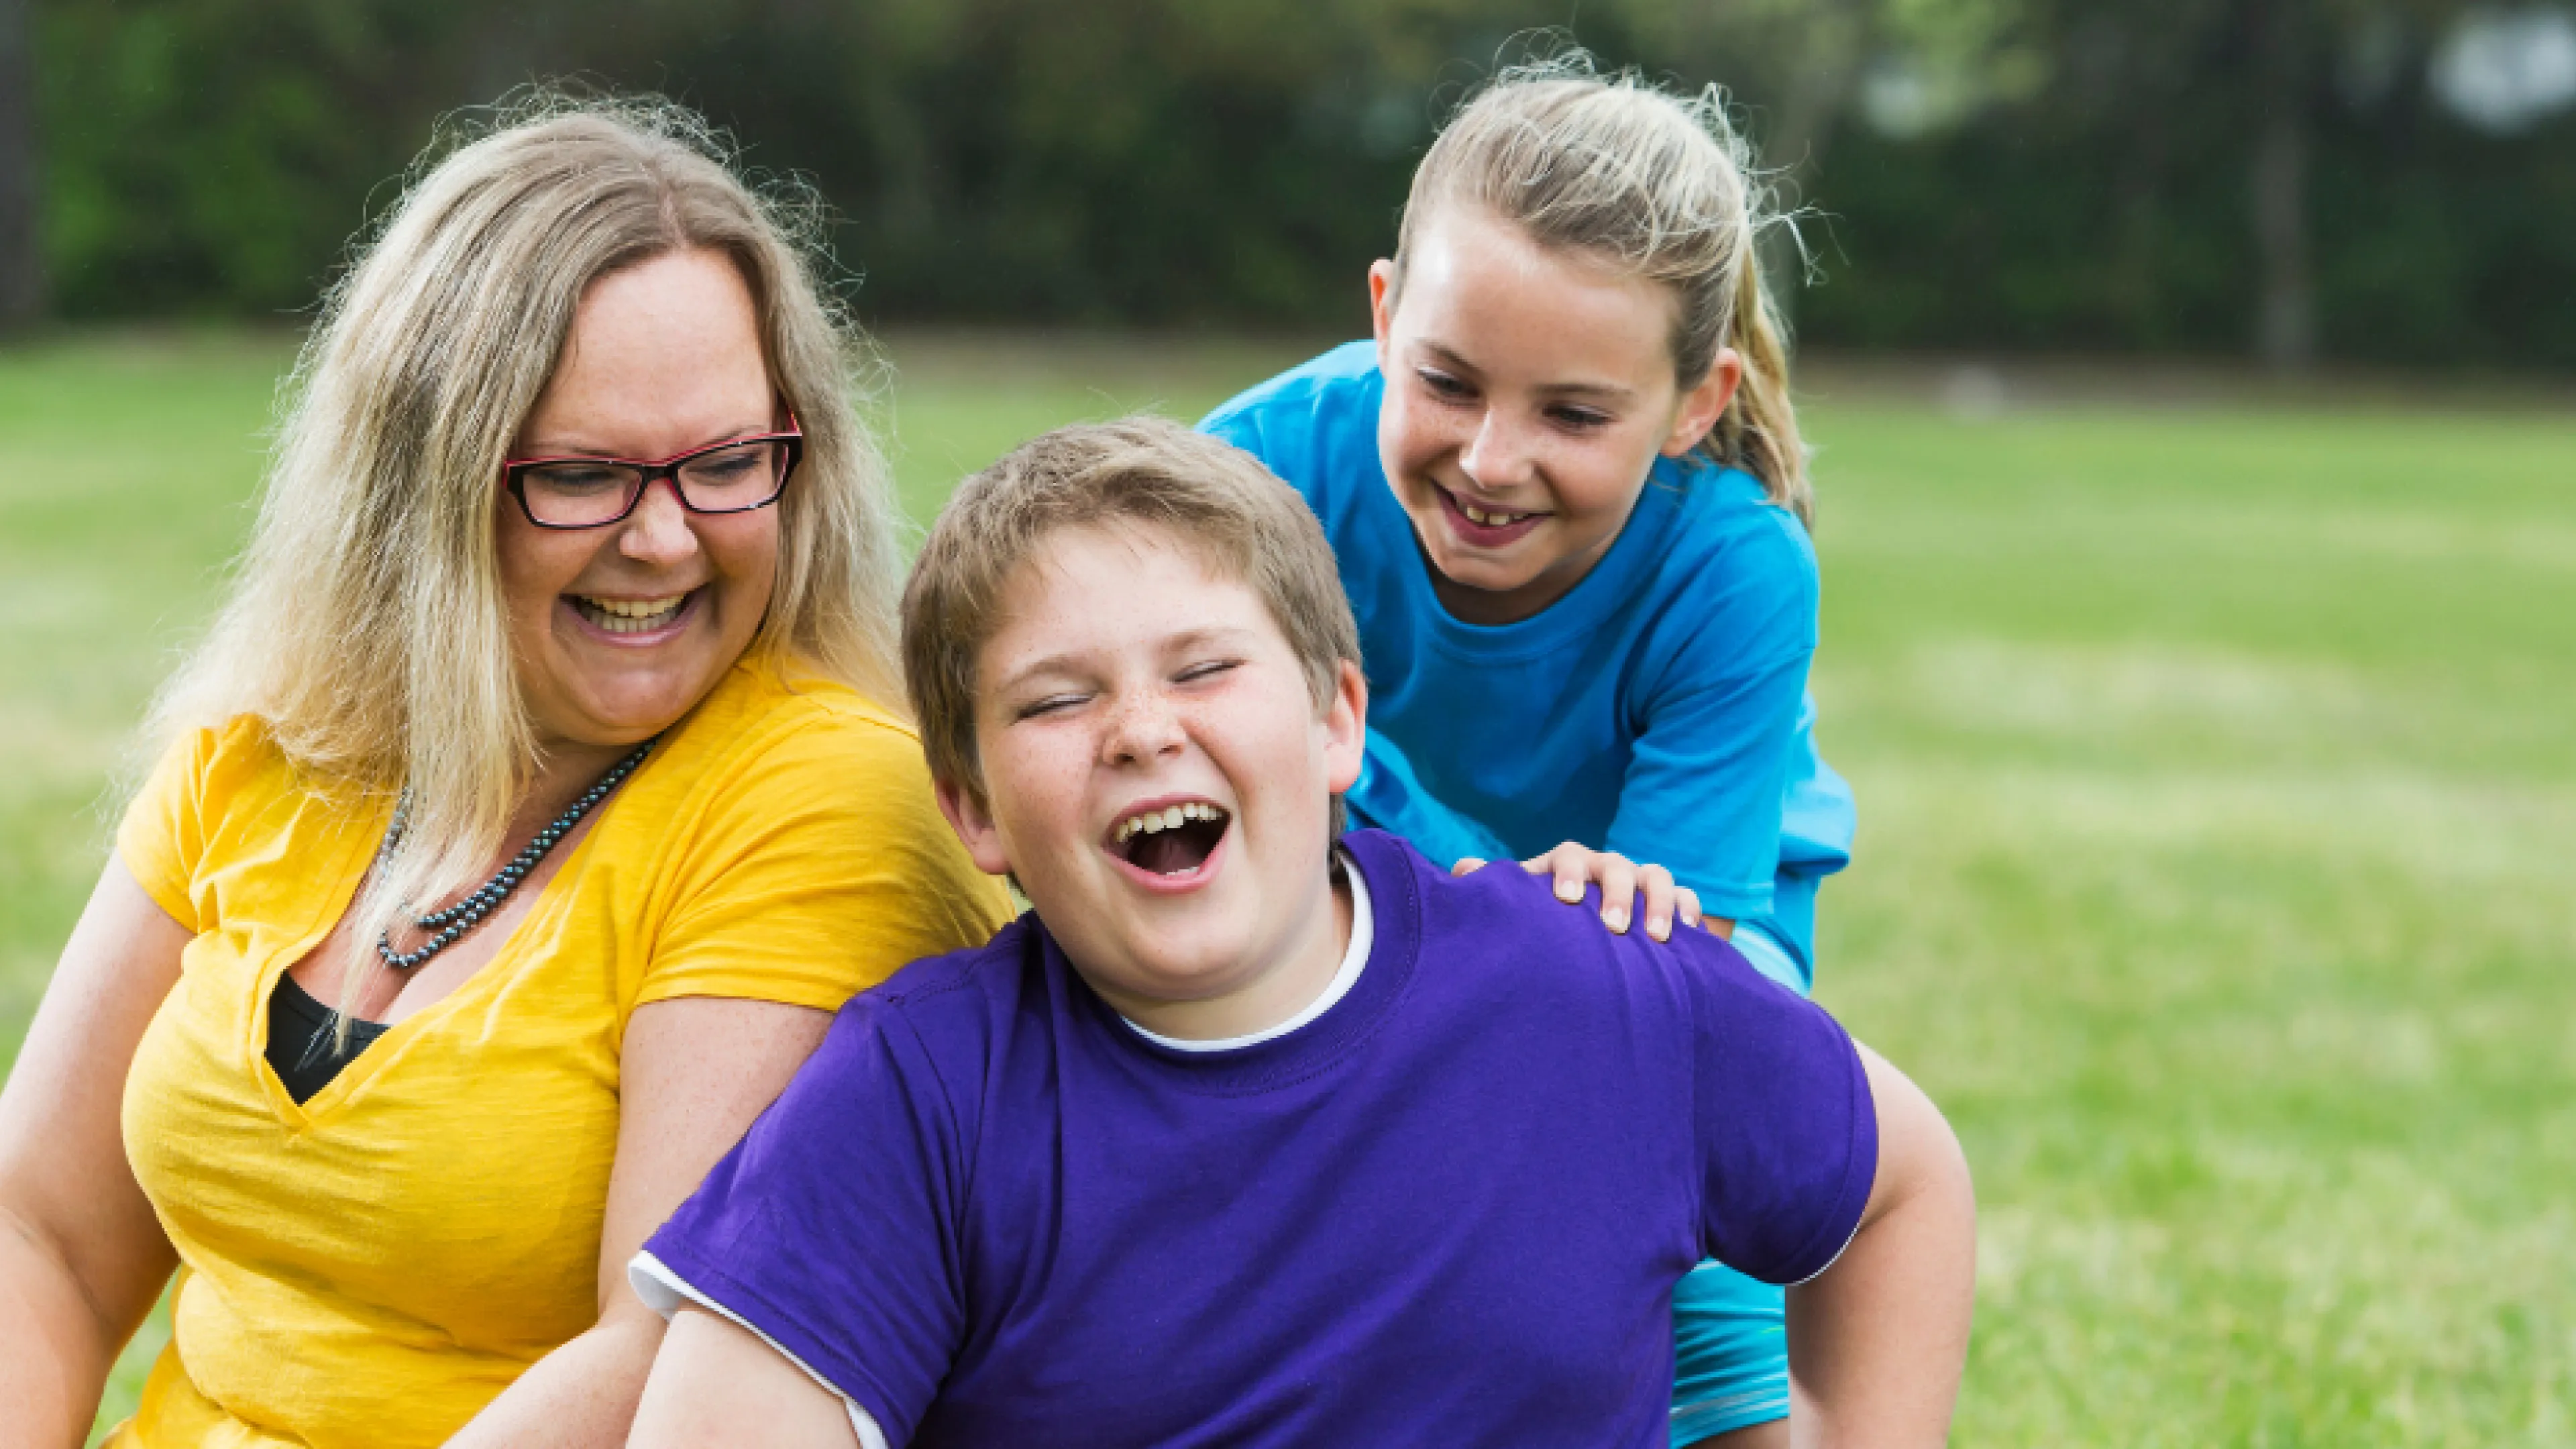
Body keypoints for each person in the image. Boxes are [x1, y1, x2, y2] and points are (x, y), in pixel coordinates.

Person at [621, 417, 1974, 1448]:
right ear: (972, 809)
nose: (1145, 730)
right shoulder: (922, 1093)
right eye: (1054, 703)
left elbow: (1904, 1187)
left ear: (1339, 721)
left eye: (1205, 668)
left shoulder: (1596, 991)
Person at [0, 99, 1010, 1448]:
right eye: (584, 474)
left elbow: (662, 1363)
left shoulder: (824, 798)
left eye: (723, 464)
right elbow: (41, 1233)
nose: (665, 540)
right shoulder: (278, 742)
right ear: (418, 484)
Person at [1197, 56, 1857, 1445]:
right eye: (1446, 382)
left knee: (1670, 1202)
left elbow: (1661, 973)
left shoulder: (1733, 570)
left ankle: (1732, 1405)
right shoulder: (1251, 480)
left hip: (1656, 941)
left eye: (1572, 415)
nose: (1493, 463)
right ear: (1385, 316)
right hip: (1355, 898)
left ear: (1692, 400)